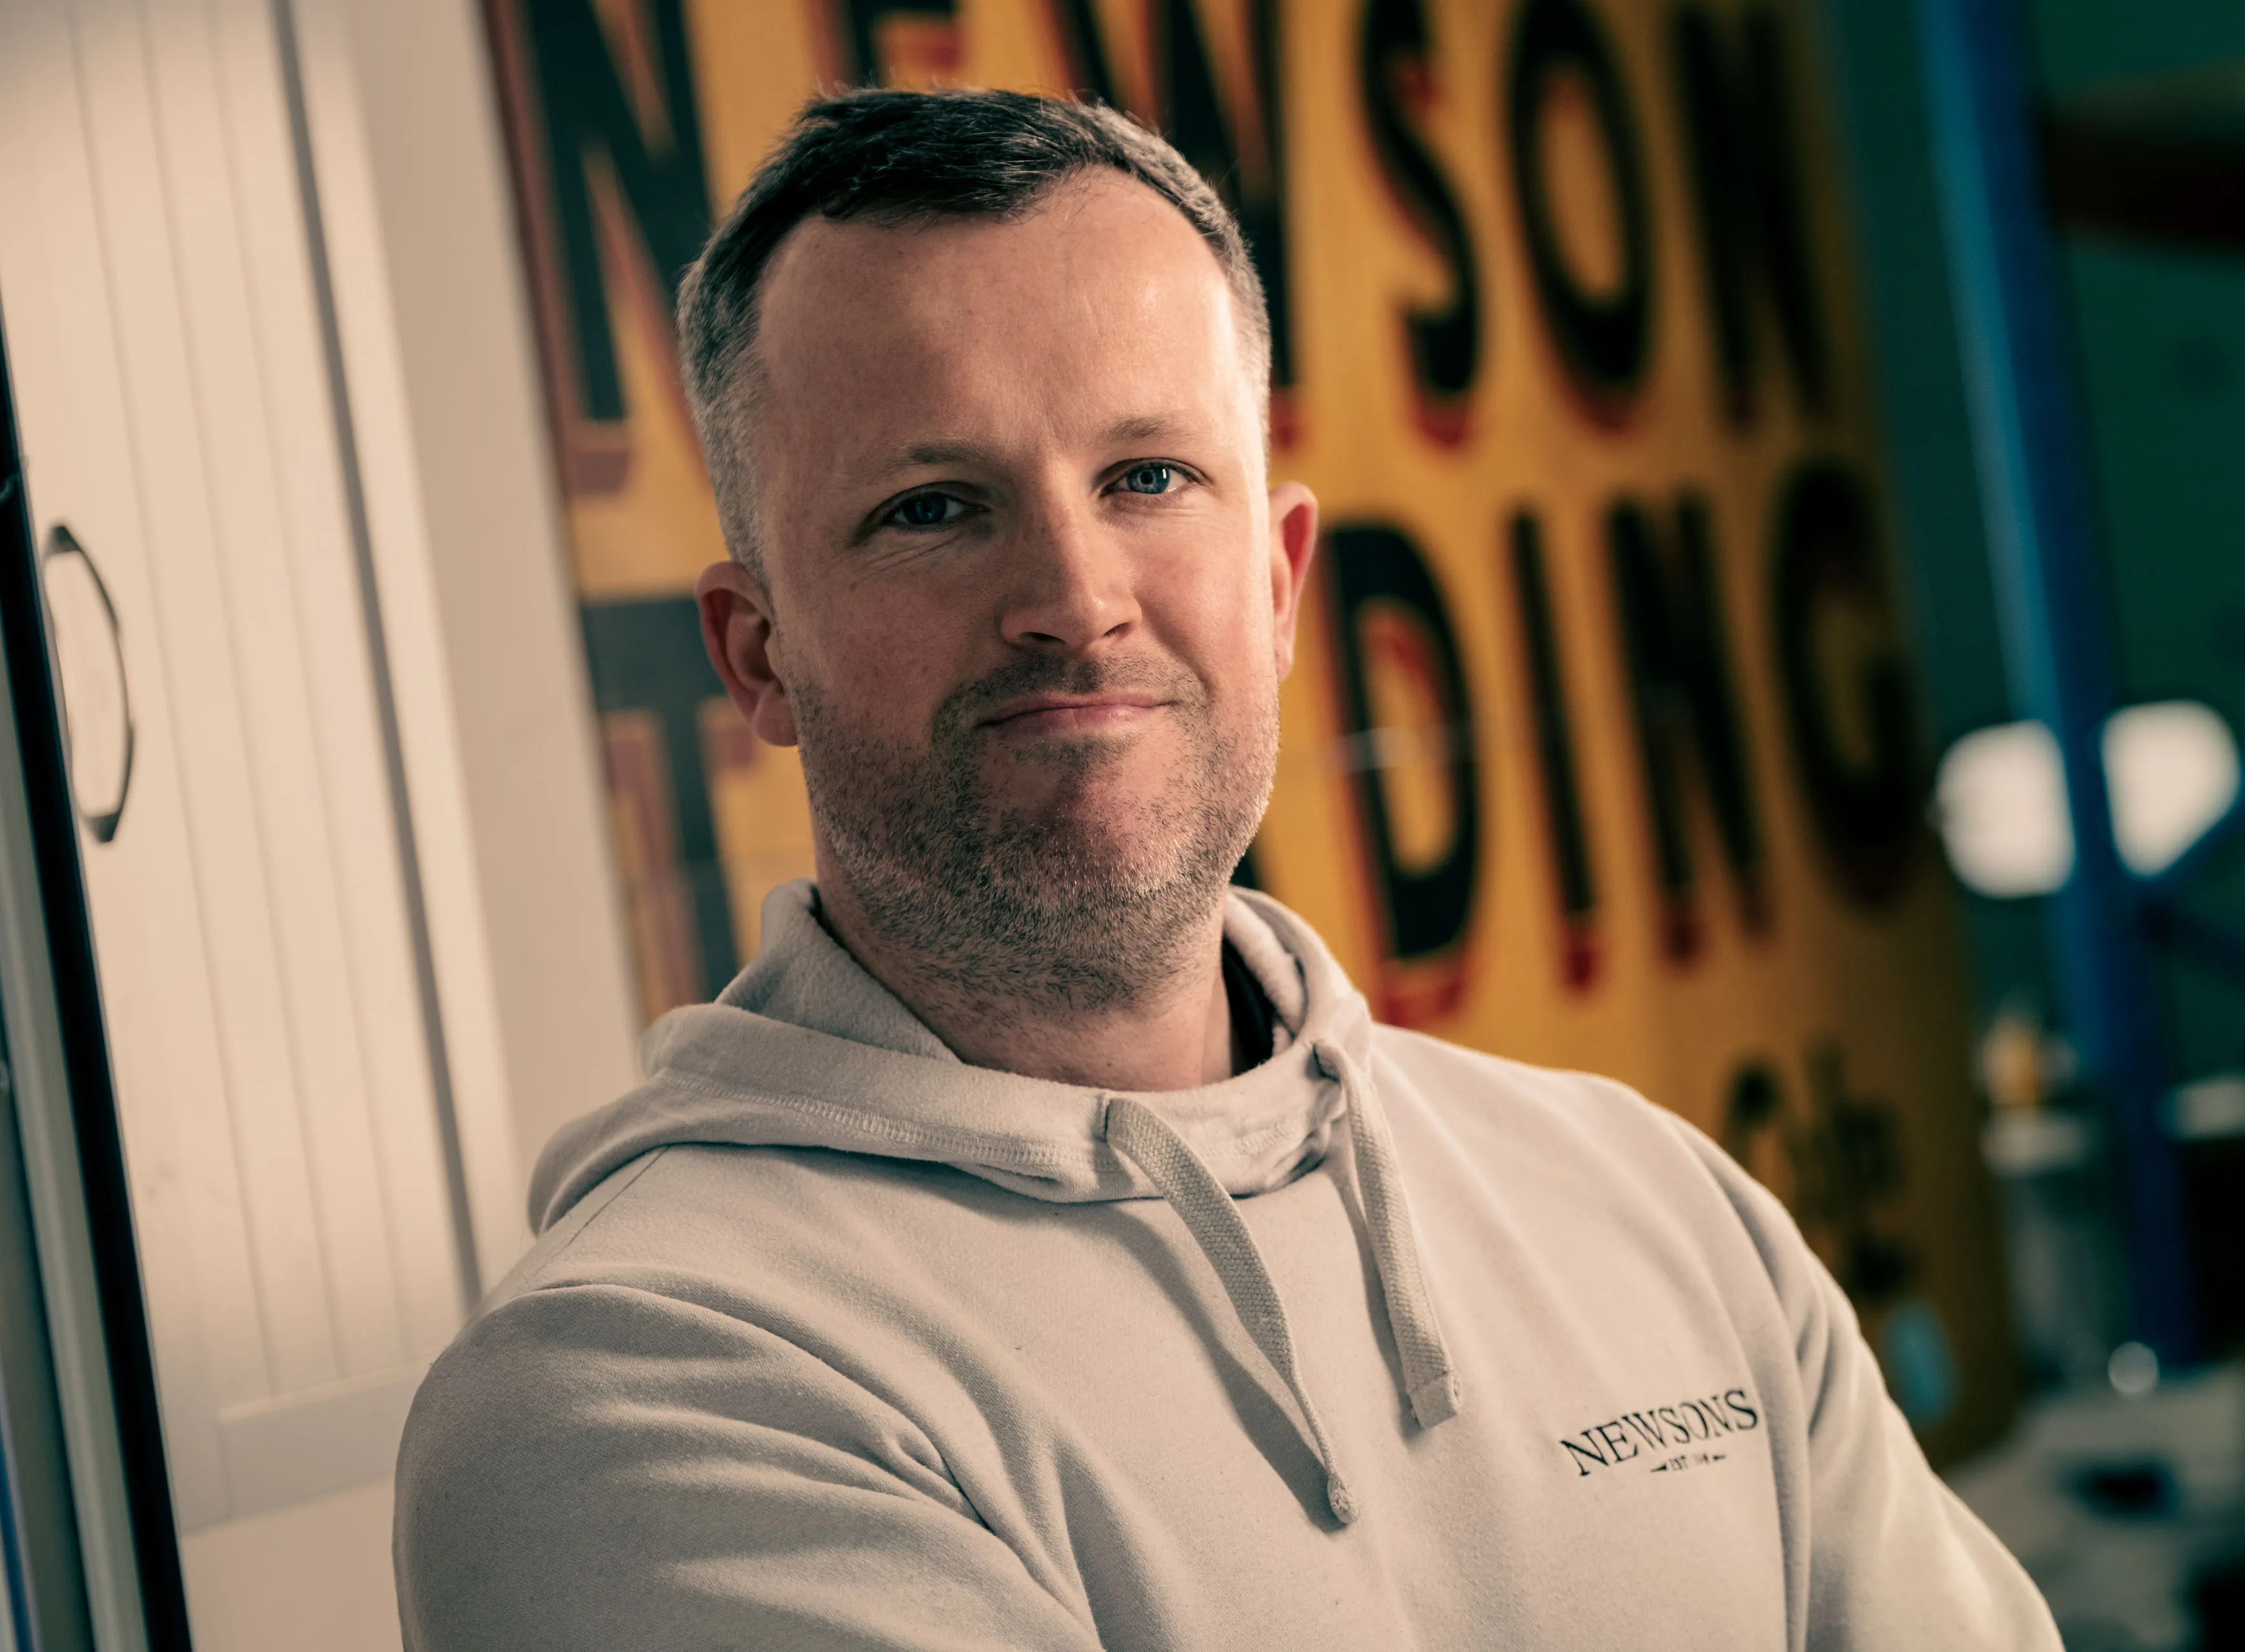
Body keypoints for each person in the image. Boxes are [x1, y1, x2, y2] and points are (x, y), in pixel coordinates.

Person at [393, 87, 2060, 1650]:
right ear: (757, 653)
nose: (1075, 592)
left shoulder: (1646, 1202)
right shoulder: (649, 1384)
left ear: (1276, 580)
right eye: (932, 508)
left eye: (1147, 478)